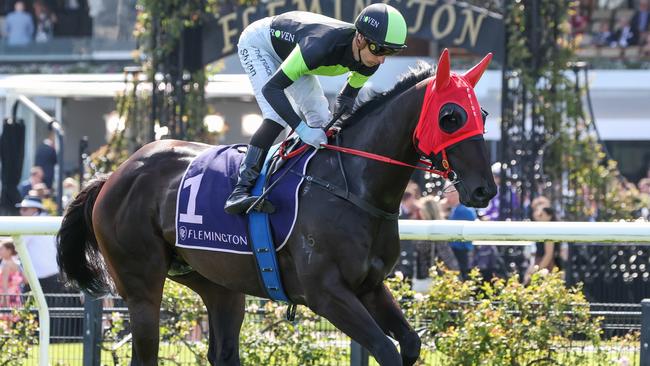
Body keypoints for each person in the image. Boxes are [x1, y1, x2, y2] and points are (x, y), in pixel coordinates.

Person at [224, 4, 408, 214]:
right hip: (261, 44)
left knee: (322, 120)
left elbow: (345, 99)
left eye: (390, 52)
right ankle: (240, 191)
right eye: (380, 49)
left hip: (295, 52)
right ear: (360, 38)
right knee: (276, 117)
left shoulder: (371, 61)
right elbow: (271, 89)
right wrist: (302, 130)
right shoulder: (320, 46)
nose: (382, 59)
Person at [16, 195, 63, 295]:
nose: (21, 212)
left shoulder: (31, 223)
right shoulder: (49, 220)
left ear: (34, 209)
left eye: (24, 209)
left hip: (39, 278)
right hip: (55, 275)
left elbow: (15, 247)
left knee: (33, 309)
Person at [442, 183, 477, 280]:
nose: (446, 197)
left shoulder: (463, 210)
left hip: (461, 252)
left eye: (448, 193)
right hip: (460, 250)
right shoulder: (457, 208)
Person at [524, 205, 562, 284]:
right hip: (539, 263)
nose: (538, 216)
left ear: (549, 216)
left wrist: (537, 270)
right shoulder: (542, 229)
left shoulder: (548, 231)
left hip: (545, 265)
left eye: (541, 214)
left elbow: (548, 254)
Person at [0, 240, 24, 310]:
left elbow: (4, 285)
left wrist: (5, 302)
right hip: (16, 296)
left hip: (6, 298)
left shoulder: (6, 265)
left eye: (2, 249)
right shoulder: (17, 264)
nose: (0, 251)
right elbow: (26, 280)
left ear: (9, 251)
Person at [35, 123, 57, 189]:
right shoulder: (51, 149)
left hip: (39, 176)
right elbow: (56, 160)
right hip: (47, 177)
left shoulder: (40, 147)